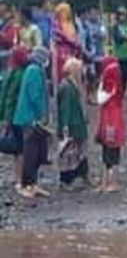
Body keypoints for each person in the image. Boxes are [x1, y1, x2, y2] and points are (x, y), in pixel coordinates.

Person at [14, 46, 50, 199]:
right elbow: (35, 96)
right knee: (30, 153)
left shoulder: (32, 69)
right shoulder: (34, 71)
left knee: (35, 152)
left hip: (31, 118)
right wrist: (42, 115)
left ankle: (33, 184)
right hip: (30, 118)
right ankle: (27, 185)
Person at [56, 57, 90, 188]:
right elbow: (66, 108)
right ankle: (66, 181)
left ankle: (82, 175)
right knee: (69, 154)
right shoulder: (67, 87)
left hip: (77, 124)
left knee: (79, 152)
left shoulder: (71, 84)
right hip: (72, 125)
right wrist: (65, 126)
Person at [0, 46, 30, 190]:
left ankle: (17, 177)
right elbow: (11, 97)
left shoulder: (11, 72)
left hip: (12, 115)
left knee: (16, 149)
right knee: (20, 149)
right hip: (18, 116)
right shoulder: (21, 74)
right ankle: (20, 179)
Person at [95, 56, 126, 193]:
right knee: (112, 150)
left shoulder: (109, 83)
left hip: (109, 117)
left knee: (109, 150)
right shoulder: (116, 80)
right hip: (113, 116)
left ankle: (107, 181)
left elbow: (101, 98)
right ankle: (109, 181)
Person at [52, 3, 81, 85]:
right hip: (61, 54)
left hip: (72, 53)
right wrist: (71, 41)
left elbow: (76, 38)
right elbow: (58, 37)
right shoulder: (57, 24)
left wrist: (76, 44)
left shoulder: (72, 24)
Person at [112, 7, 127, 90]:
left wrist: (125, 38)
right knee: (119, 74)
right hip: (119, 55)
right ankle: (119, 89)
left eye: (124, 14)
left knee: (126, 74)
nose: (122, 16)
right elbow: (118, 39)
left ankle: (123, 89)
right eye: (120, 14)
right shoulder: (116, 27)